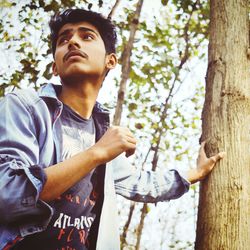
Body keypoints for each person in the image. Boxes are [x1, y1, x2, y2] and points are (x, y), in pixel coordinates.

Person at [0, 8, 224, 250]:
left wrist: (195, 173)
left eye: (86, 36)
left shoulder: (102, 133)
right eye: (63, 39)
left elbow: (143, 184)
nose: (73, 41)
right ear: (55, 66)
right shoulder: (24, 107)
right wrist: (97, 153)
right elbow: (8, 194)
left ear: (111, 60)